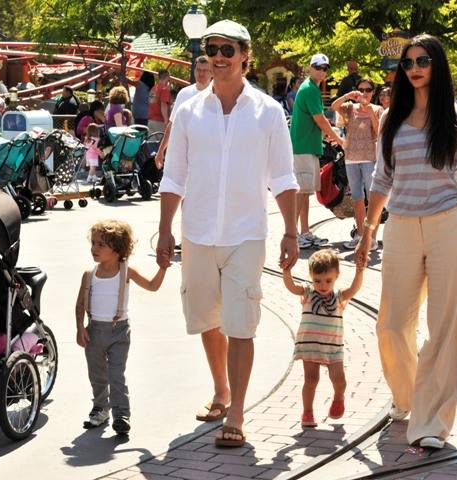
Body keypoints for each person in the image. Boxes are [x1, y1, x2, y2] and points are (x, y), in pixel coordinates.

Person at [156, 19, 299, 448]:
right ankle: (221, 389)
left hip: (246, 233)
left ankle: (236, 413)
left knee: (241, 323)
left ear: (244, 56)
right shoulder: (187, 111)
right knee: (206, 318)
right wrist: (165, 230)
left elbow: (285, 177)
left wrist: (291, 233)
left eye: (227, 49)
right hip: (197, 232)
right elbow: (174, 176)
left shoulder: (269, 112)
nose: (217, 56)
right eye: (211, 48)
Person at [355, 34, 457, 450]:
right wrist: (369, 232)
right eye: (408, 62)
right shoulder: (391, 119)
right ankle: (409, 396)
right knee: (391, 325)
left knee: (444, 327)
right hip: (401, 224)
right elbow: (382, 179)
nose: (414, 68)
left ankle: (432, 421)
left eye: (422, 60)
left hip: (448, 224)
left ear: (437, 65)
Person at [75, 220, 167, 435]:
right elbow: (80, 304)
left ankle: (121, 415)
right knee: (97, 374)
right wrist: (80, 327)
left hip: (119, 331)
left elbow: (152, 286)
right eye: (93, 243)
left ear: (117, 249)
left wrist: (162, 268)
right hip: (94, 331)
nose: (94, 249)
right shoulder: (89, 275)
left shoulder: (127, 272)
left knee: (116, 375)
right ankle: (100, 409)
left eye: (101, 245)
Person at [283, 249, 363, 427]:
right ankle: (308, 412)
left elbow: (354, 289)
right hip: (310, 345)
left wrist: (359, 271)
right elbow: (292, 287)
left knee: (339, 379)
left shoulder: (339, 296)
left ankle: (338, 397)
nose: (323, 285)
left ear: (336, 277)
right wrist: (286, 272)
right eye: (317, 280)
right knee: (311, 380)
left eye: (328, 281)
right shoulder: (308, 293)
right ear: (311, 276)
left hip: (332, 347)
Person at [290, 53, 344, 249]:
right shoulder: (310, 89)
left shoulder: (310, 87)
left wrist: (329, 135)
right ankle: (292, 234)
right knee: (300, 192)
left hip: (307, 147)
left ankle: (304, 232)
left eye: (324, 68)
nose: (322, 71)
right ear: (310, 67)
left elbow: (319, 120)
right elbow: (319, 119)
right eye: (318, 67)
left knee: (304, 192)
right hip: (303, 147)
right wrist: (339, 140)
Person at [331, 77, 384, 250]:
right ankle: (360, 235)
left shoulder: (377, 110)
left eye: (368, 90)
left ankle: (372, 237)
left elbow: (379, 132)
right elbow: (334, 106)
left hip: (369, 159)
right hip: (351, 159)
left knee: (372, 200)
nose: (364, 93)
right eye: (361, 89)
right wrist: (348, 95)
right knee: (357, 200)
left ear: (373, 92)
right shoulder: (350, 108)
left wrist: (369, 112)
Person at [155, 56, 212, 169]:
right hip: (184, 154)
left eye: (205, 70)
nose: (201, 74)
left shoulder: (218, 96)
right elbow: (172, 124)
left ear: (212, 73)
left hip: (207, 156)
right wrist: (161, 150)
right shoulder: (184, 93)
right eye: (198, 70)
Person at [148, 70, 171, 134]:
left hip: (150, 120)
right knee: (161, 143)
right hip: (159, 121)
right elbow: (163, 105)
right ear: (167, 77)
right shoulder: (164, 89)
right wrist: (166, 120)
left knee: (151, 143)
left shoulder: (153, 88)